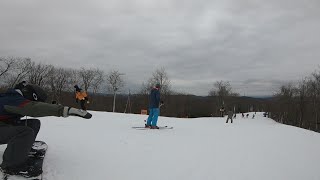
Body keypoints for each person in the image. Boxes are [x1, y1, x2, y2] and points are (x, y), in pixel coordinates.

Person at [0, 81, 92, 177]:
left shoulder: (11, 97)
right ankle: (11, 166)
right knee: (25, 132)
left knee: (33, 123)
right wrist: (64, 110)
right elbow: (34, 108)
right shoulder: (12, 99)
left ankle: (20, 150)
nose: (31, 102)